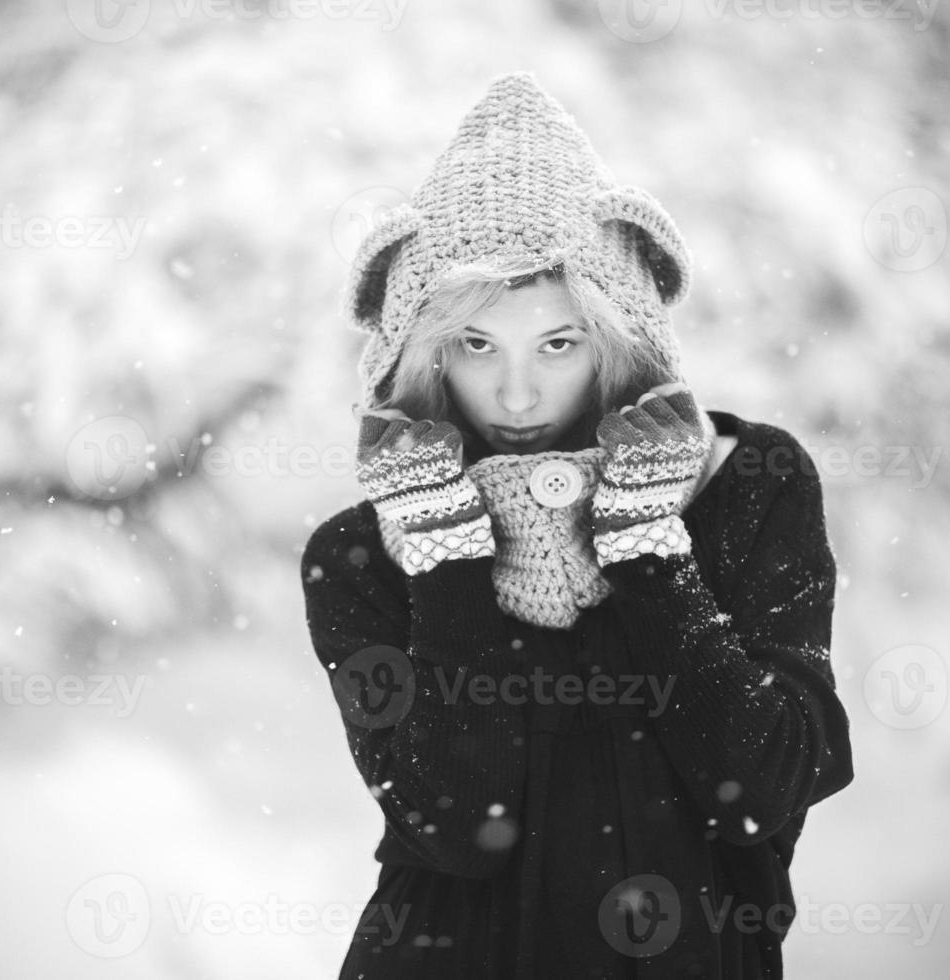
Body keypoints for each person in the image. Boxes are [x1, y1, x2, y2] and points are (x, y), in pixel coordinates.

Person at [299, 71, 853, 980]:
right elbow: (458, 829)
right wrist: (446, 557)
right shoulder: (365, 550)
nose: (516, 393)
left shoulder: (747, 484)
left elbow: (762, 791)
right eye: (477, 344)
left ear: (619, 336)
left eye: (559, 342)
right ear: (427, 350)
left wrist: (648, 549)